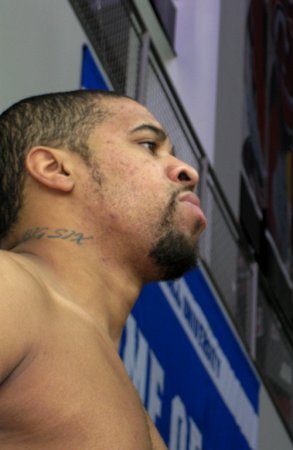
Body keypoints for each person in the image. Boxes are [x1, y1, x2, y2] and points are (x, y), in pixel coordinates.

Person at [0, 90, 207, 449]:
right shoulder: (10, 288)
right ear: (55, 168)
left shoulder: (144, 424)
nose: (188, 171)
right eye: (148, 146)